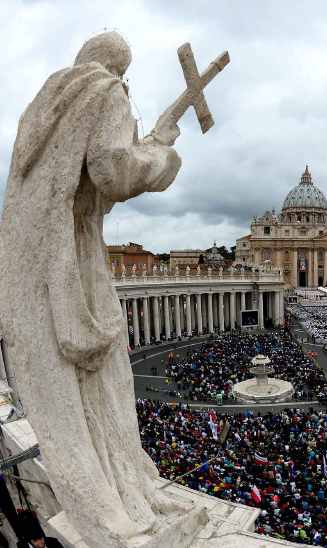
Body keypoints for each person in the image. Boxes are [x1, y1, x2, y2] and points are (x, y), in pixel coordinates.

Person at [0, 31, 204, 547]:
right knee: (111, 384)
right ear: (119, 69)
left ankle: (115, 489)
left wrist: (149, 137)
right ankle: (123, 496)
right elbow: (112, 172)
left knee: (81, 394)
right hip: (76, 262)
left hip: (35, 267)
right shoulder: (105, 91)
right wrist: (159, 149)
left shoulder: (42, 109)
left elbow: (84, 183)